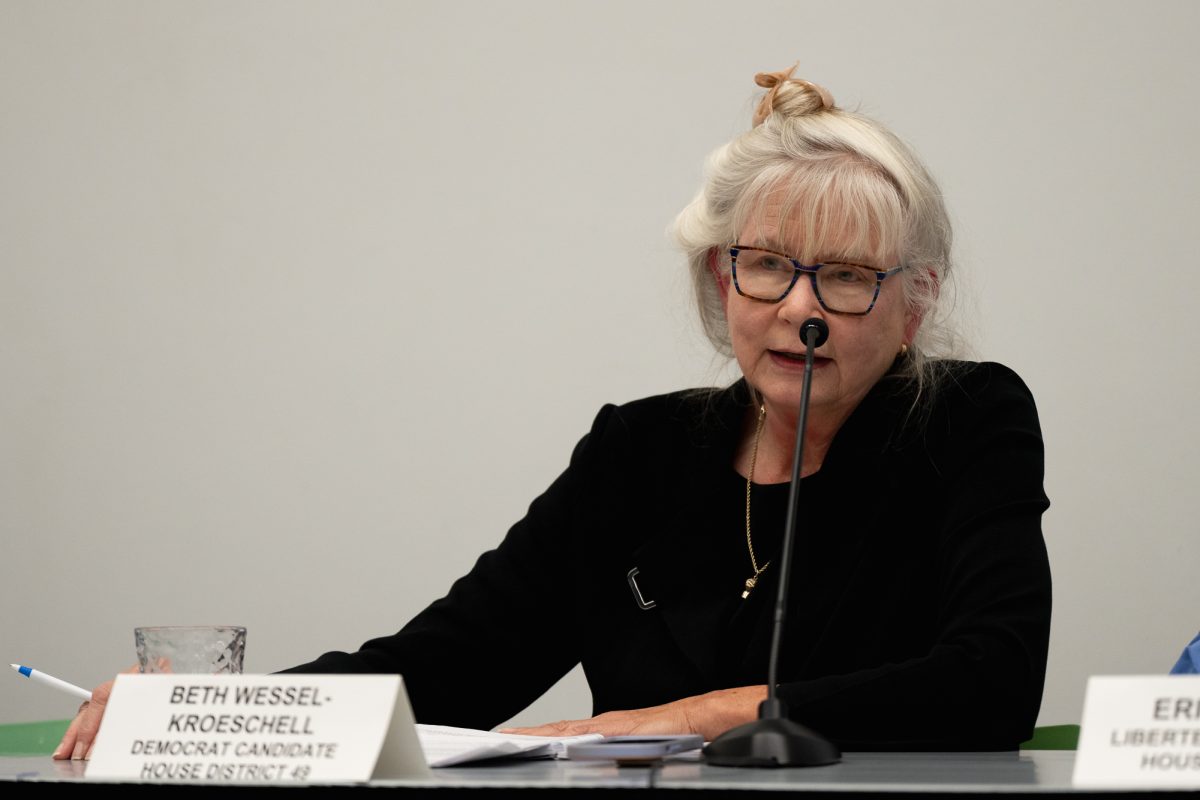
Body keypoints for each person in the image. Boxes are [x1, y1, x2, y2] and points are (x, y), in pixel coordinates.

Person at [55, 64, 1051, 759]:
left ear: (916, 299)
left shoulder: (965, 420)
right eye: (767, 266)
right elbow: (451, 665)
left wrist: (698, 713)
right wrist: (213, 709)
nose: (799, 308)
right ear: (721, 277)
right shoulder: (641, 449)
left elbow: (991, 681)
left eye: (844, 276)